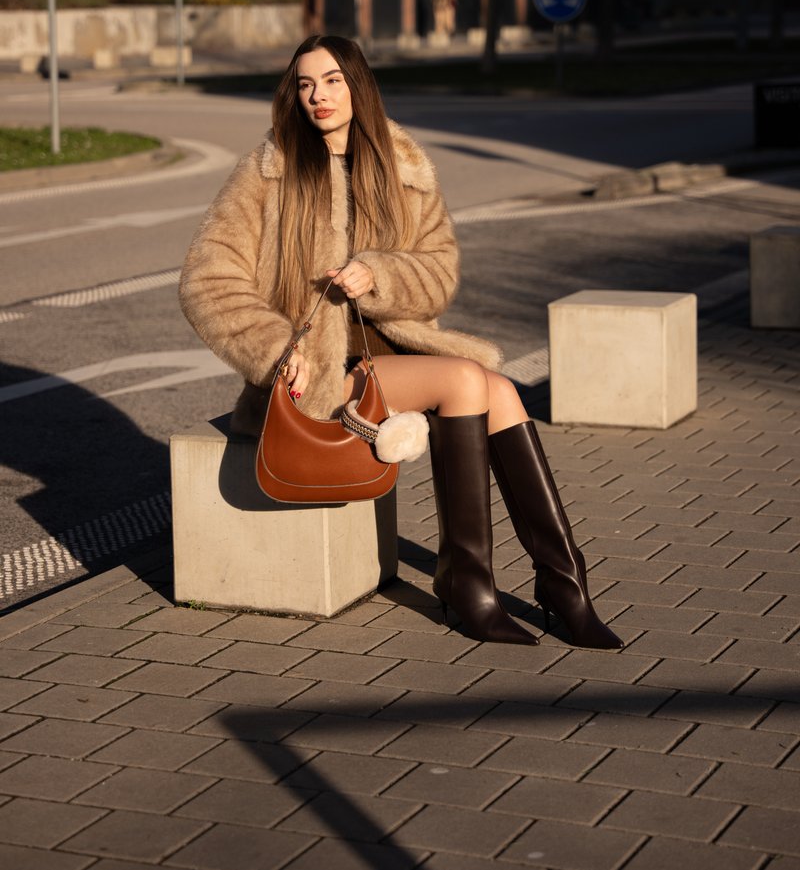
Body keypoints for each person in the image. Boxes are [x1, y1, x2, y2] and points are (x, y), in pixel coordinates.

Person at [179, 34, 622, 650]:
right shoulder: (270, 170)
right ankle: (470, 584)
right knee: (468, 380)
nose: (318, 96)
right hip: (323, 377)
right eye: (305, 84)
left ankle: (563, 583)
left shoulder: (404, 168)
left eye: (332, 80)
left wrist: (379, 275)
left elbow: (439, 274)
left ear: (358, 84)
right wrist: (279, 351)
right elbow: (207, 277)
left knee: (500, 391)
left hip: (394, 355)